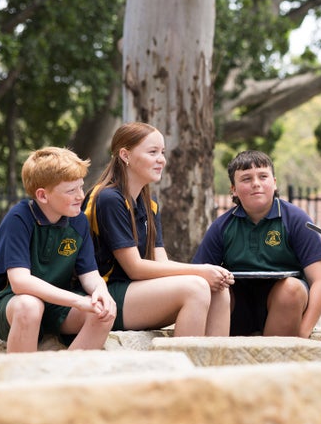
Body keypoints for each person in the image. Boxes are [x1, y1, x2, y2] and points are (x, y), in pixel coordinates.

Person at [83, 122, 231, 336]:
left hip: (136, 290)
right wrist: (200, 270)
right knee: (196, 287)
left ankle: (212, 367)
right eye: (152, 152)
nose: (161, 159)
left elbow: (159, 262)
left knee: (219, 289)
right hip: (106, 293)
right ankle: (183, 367)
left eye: (162, 152)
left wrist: (210, 272)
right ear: (125, 155)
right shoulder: (108, 198)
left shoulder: (148, 201)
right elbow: (135, 267)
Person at [0, 147, 116, 353]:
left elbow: (90, 275)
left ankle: (64, 380)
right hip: (11, 304)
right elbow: (20, 283)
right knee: (30, 306)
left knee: (103, 311)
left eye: (81, 187)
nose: (80, 196)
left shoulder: (78, 221)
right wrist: (79, 301)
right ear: (43, 196)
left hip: (55, 305)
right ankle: (23, 382)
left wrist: (101, 292)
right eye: (71, 191)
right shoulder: (19, 218)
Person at [192, 150, 321, 337]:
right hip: (237, 308)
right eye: (246, 179)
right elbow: (199, 275)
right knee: (213, 288)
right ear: (233, 189)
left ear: (274, 183)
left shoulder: (296, 219)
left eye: (263, 176)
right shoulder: (222, 226)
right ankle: (214, 354)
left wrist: (304, 332)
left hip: (284, 304)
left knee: (292, 288)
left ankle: (277, 357)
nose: (256, 184)